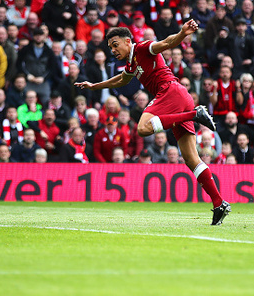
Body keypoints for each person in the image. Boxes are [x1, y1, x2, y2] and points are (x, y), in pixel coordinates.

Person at [75, 21, 231, 225]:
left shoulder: (142, 48)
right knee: (191, 159)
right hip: (179, 99)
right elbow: (121, 79)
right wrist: (95, 86)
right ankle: (219, 203)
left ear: (127, 41)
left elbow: (166, 43)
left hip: (170, 92)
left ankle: (195, 114)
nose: (113, 50)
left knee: (142, 128)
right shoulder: (131, 63)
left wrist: (183, 33)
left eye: (115, 44)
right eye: (110, 47)